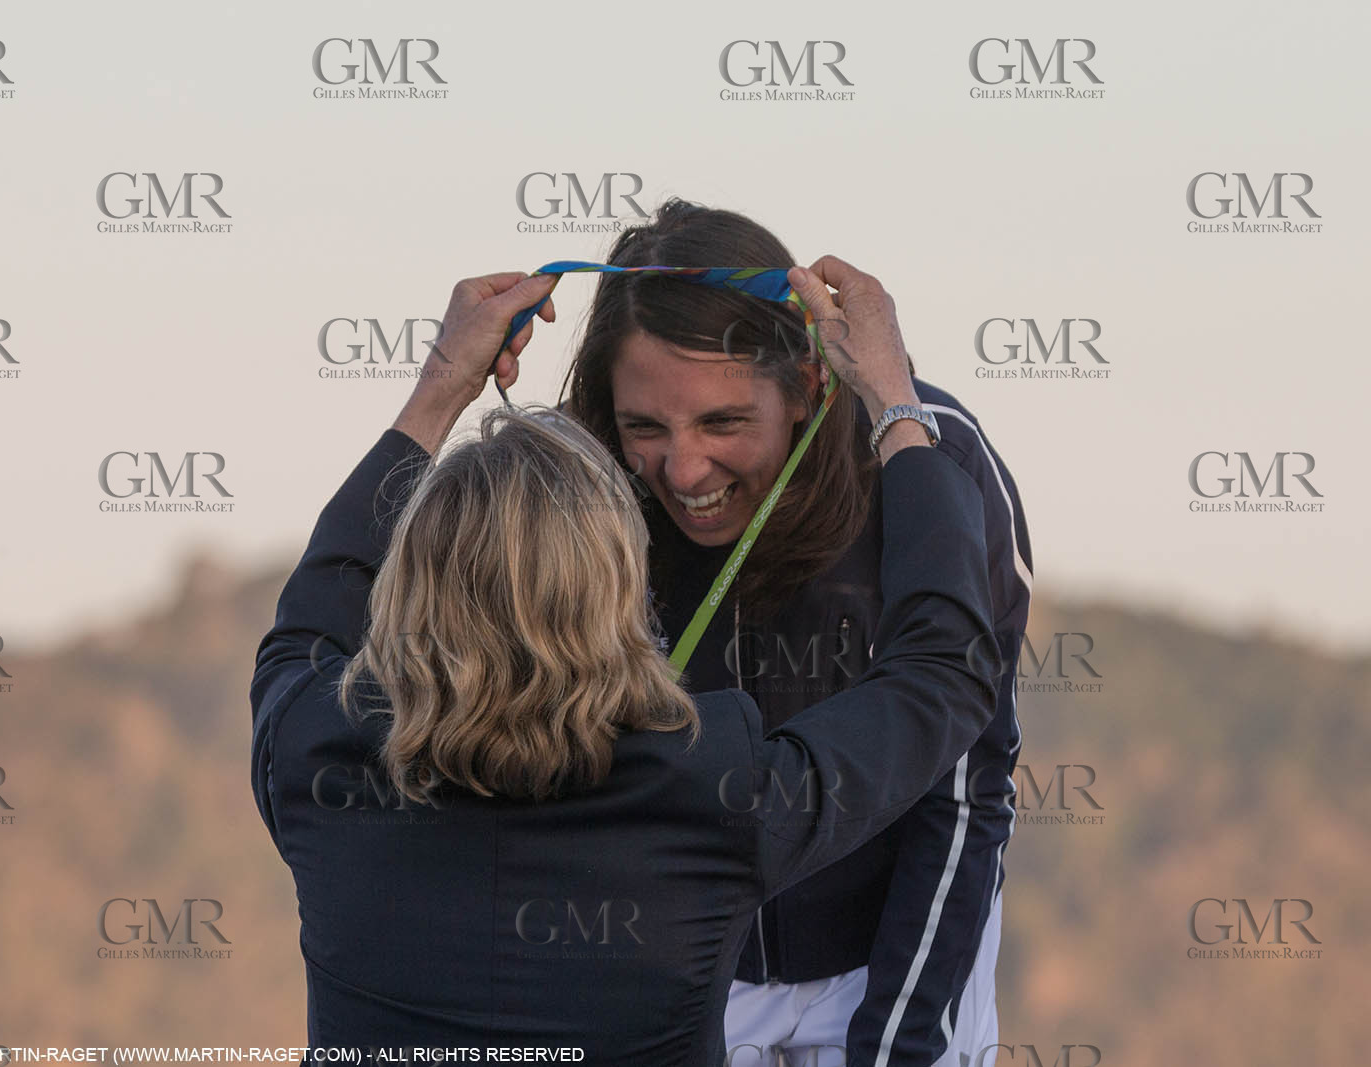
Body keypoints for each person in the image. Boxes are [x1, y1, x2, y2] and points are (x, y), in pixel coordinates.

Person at [248, 264, 999, 1065]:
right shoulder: (711, 792)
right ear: (619, 595)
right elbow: (944, 670)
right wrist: (896, 403)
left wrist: (439, 390)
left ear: (406, 588)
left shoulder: (314, 757)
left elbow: (318, 602)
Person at [558, 200, 1033, 1067]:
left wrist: (899, 1040)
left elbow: (961, 794)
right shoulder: (581, 490)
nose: (684, 468)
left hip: (883, 954)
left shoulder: (933, 460)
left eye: (724, 422)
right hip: (689, 965)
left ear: (811, 382)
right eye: (645, 427)